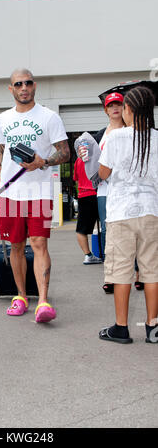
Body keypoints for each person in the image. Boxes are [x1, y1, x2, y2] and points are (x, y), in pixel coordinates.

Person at [0, 68, 70, 323]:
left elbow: (65, 152)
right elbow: (2, 153)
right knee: (16, 245)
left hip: (38, 191)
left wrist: (44, 161)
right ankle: (21, 296)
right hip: (11, 193)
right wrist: (0, 186)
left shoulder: (49, 117)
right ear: (11, 89)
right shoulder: (3, 119)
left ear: (34, 86)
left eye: (28, 83)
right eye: (18, 84)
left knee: (38, 244)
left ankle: (44, 301)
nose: (23, 87)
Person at [98, 86, 158, 344]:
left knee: (121, 270)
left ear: (129, 109)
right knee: (152, 270)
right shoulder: (157, 138)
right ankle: (152, 326)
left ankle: (121, 328)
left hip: (121, 212)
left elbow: (102, 174)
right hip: (151, 211)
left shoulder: (116, 137)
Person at [73, 156, 102, 264]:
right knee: (107, 225)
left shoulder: (78, 159)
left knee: (81, 229)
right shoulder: (98, 156)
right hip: (98, 193)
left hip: (83, 194)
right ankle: (108, 254)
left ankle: (88, 255)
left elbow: (76, 179)